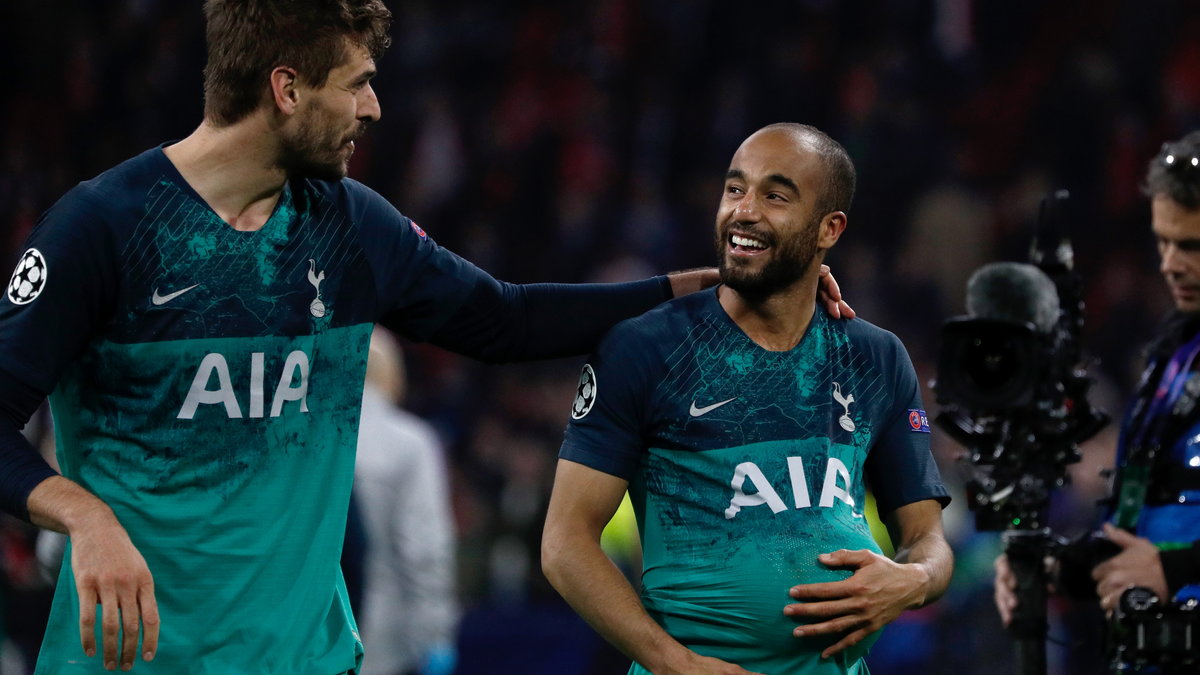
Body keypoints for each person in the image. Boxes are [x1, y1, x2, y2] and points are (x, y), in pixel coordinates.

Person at [0, 2, 856, 673]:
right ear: (287, 88)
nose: (374, 107)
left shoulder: (347, 227)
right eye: (358, 82)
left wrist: (707, 287)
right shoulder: (102, 228)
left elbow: (506, 319)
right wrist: (82, 513)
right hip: (131, 663)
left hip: (309, 662)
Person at [541, 123, 954, 675]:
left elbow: (928, 540)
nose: (744, 210)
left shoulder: (875, 357)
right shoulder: (646, 348)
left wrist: (914, 580)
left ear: (829, 228)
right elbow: (565, 545)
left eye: (775, 196)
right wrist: (673, 663)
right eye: (735, 189)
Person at [994, 131, 1200, 628]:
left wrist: (1175, 570)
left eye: (1191, 246)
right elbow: (1136, 523)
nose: (1170, 264)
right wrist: (1059, 569)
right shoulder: (1173, 354)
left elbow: (1161, 563)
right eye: (1162, 241)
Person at [353, 328, 457, 675]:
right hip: (382, 643)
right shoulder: (410, 444)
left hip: (304, 638)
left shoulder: (295, 440)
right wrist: (436, 636)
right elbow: (424, 550)